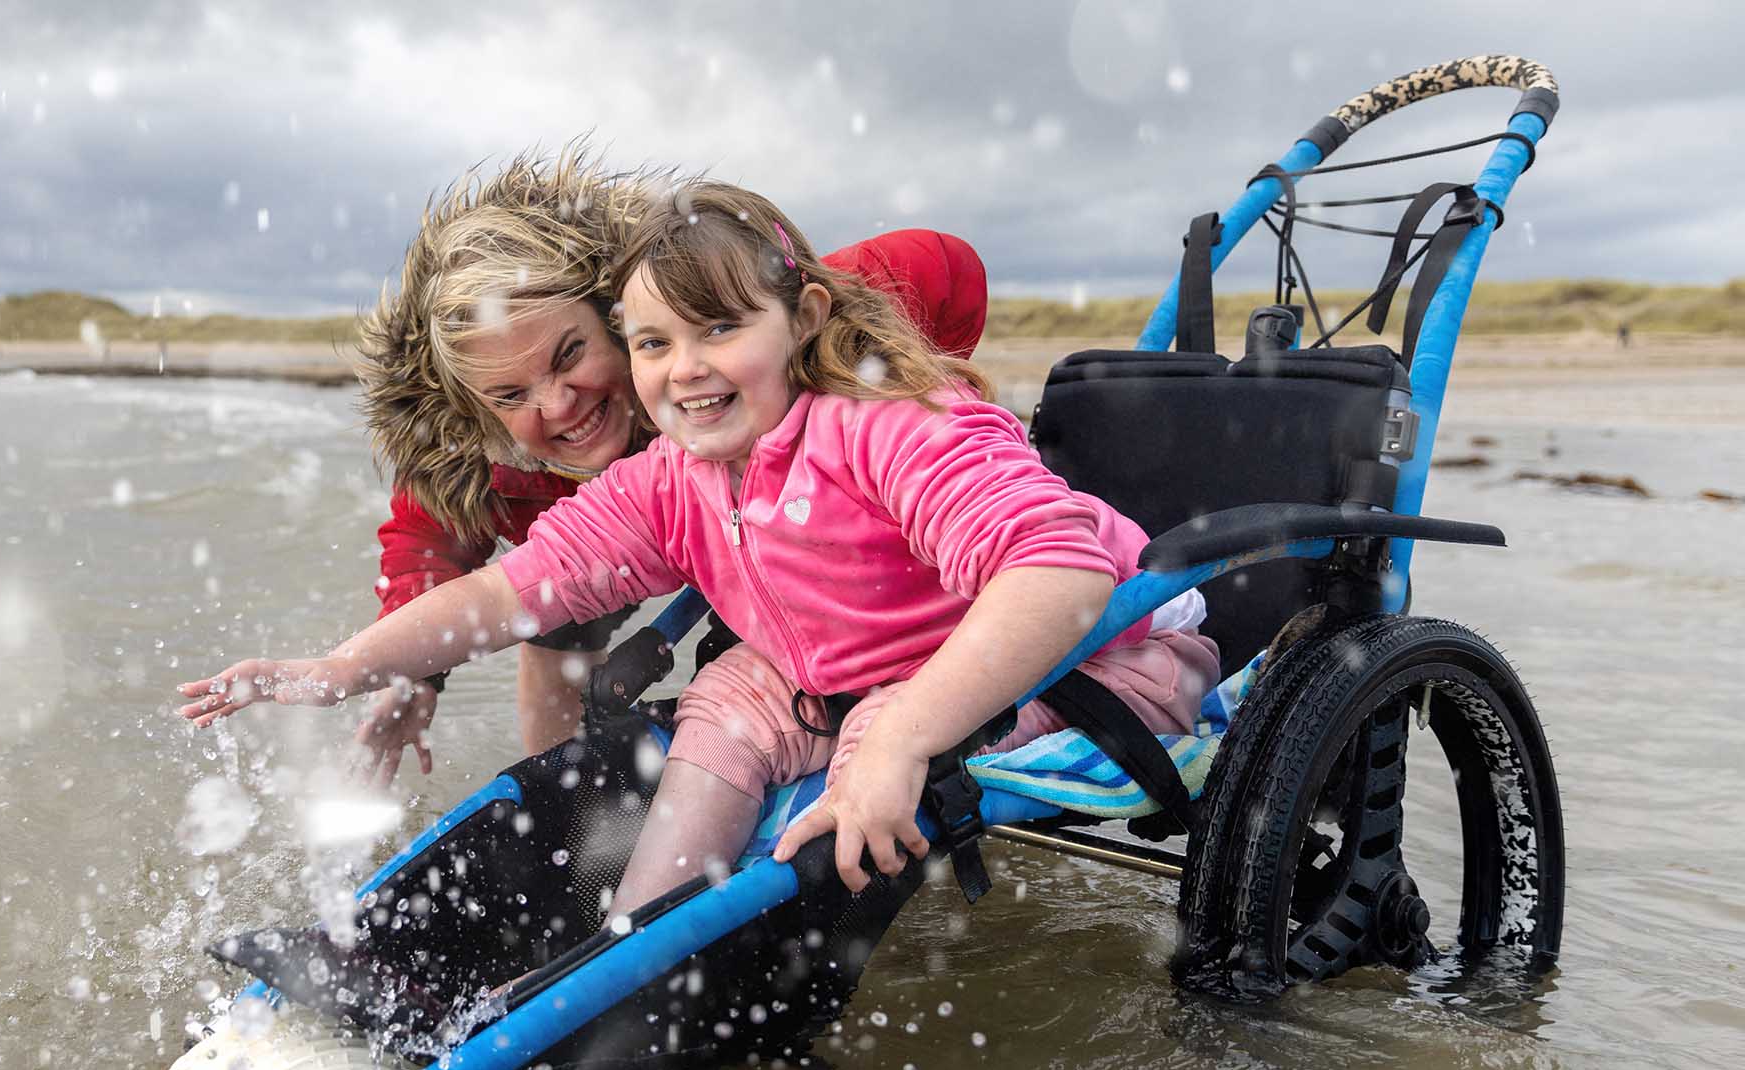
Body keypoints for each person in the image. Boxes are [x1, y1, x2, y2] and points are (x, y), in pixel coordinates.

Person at [181, 180, 1218, 910]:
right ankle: (641, 931)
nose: (681, 369)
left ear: (802, 313)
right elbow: (516, 588)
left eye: (715, 329)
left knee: (872, 732)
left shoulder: (879, 412)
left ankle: (770, 932)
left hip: (1086, 654)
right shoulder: (661, 473)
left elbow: (1063, 571)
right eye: (654, 344)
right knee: (721, 698)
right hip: (834, 647)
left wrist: (900, 737)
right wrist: (342, 668)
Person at [349, 150, 987, 785]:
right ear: (477, 411)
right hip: (606, 553)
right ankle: (569, 797)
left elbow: (945, 267)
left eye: (570, 355)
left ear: (622, 317)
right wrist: (413, 676)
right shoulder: (475, 459)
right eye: (510, 397)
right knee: (553, 620)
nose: (558, 405)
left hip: (773, 516)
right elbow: (423, 552)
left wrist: (878, 391)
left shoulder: (700, 354)